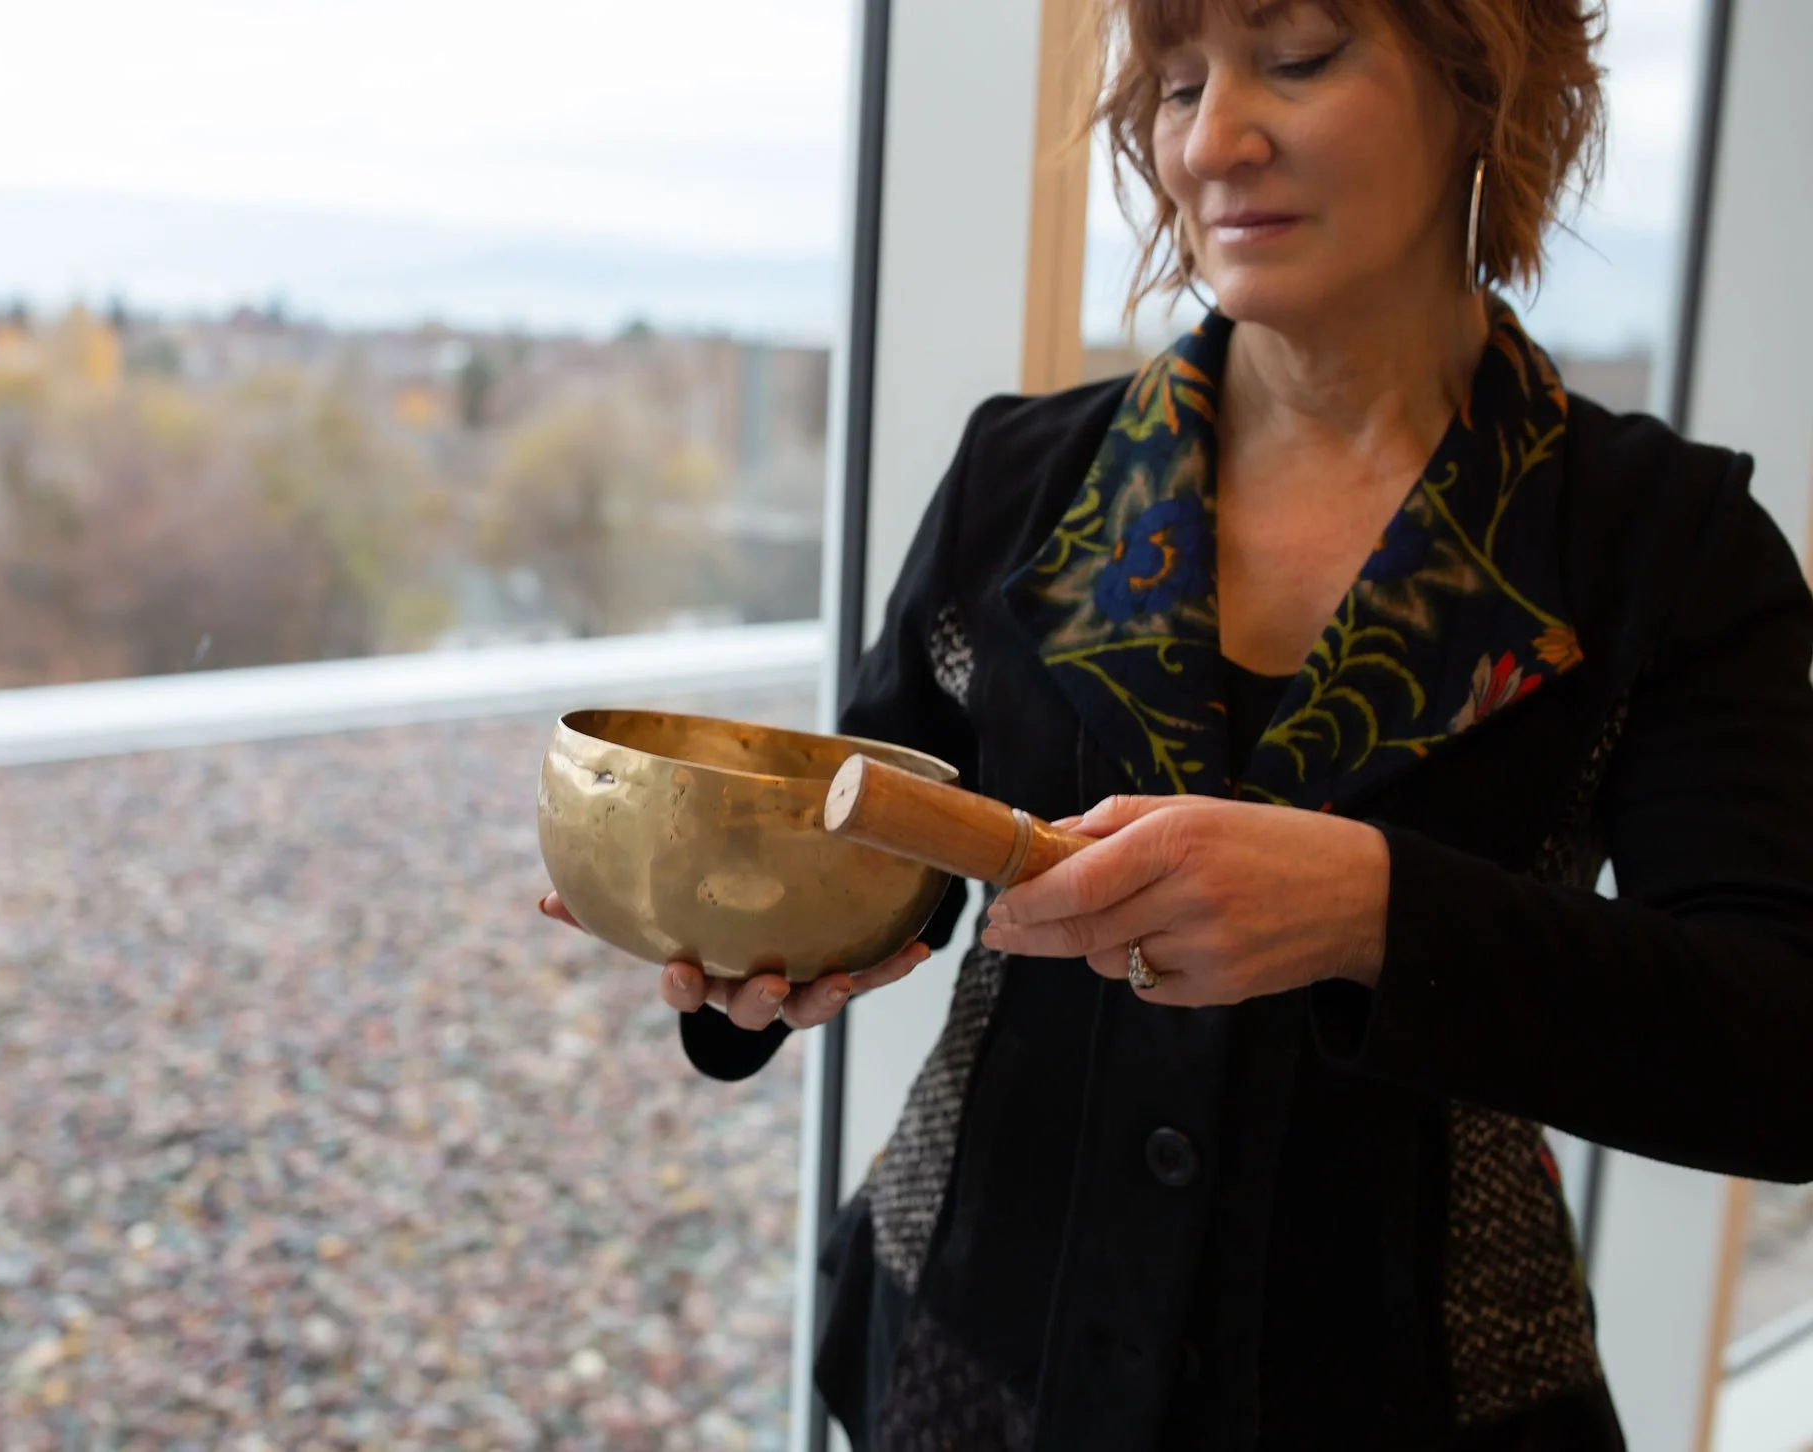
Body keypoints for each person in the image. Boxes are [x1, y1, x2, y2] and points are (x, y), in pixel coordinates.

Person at [542, 0, 1813, 1444]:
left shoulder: (1668, 543)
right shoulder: (1021, 477)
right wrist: (749, 965)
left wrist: (1373, 913)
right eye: (1175, 82)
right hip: (975, 1360)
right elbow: (877, 854)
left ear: (1483, 89)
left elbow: (1779, 1053)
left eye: (1300, 57)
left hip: (1413, 1400)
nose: (1212, 140)